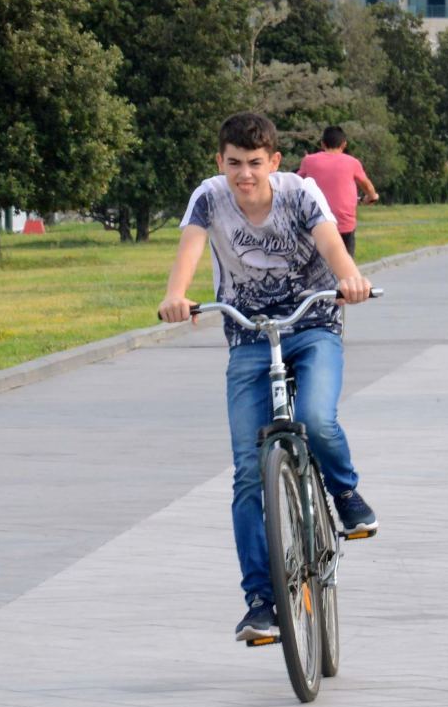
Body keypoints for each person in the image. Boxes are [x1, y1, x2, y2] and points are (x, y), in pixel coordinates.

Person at [159, 112, 377, 642]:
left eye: (255, 163)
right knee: (246, 473)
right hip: (249, 335)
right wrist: (174, 297)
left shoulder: (299, 194)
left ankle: (345, 495)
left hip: (314, 322)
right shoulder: (208, 198)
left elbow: (330, 244)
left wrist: (350, 279)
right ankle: (261, 600)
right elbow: (189, 248)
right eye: (234, 163)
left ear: (274, 162)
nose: (244, 174)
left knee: (316, 419)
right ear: (220, 162)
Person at [297, 125, 379, 257]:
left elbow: (296, 181)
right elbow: (368, 186)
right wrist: (372, 196)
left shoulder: (309, 161)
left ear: (322, 143)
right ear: (344, 144)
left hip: (316, 224)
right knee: (346, 268)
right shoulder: (352, 162)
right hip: (344, 225)